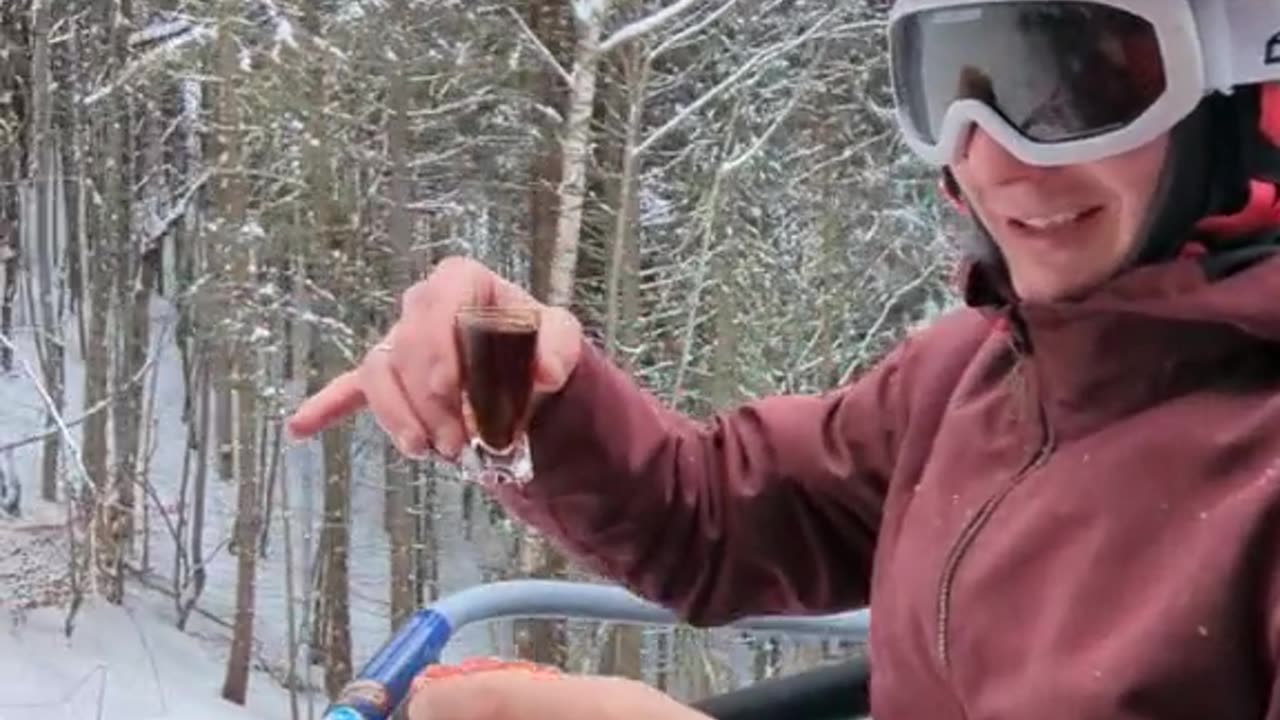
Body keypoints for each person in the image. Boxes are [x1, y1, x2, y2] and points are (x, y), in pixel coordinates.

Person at [287, 0, 1280, 717]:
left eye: (1071, 82)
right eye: (947, 87)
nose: (988, 156)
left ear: (1246, 90)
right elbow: (710, 517)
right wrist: (533, 390)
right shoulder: (964, 384)